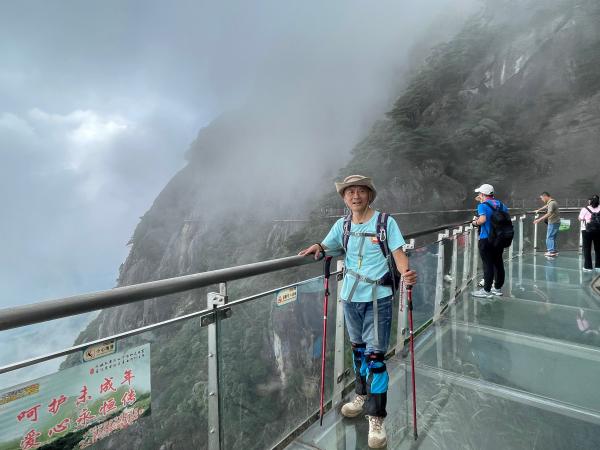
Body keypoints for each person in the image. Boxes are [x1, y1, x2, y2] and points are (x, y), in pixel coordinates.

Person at [299, 175, 417, 449]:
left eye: (360, 191)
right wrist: (319, 247)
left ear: (369, 195)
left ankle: (376, 417)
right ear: (344, 198)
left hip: (379, 298)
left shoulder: (385, 222)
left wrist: (406, 273)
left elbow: (398, 252)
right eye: (349, 192)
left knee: (375, 358)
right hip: (351, 298)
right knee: (359, 352)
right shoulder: (343, 225)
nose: (355, 196)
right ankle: (361, 395)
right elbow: (328, 245)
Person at [471, 184, 509, 298]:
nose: (478, 195)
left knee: (487, 264)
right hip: (499, 239)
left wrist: (475, 222)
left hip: (486, 239)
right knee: (498, 263)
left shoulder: (482, 206)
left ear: (483, 194)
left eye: (479, 193)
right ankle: (497, 288)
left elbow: (483, 219)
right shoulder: (502, 205)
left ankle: (486, 290)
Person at [533, 192, 560, 257]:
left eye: (542, 198)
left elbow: (549, 213)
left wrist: (539, 220)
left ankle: (551, 251)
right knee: (553, 237)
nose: (542, 200)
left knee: (549, 237)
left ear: (545, 196)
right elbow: (546, 206)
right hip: (556, 222)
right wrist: (539, 209)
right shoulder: (552, 202)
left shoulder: (551, 203)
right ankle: (554, 251)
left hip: (553, 222)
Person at [578, 195, 600, 272]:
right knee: (598, 249)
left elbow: (580, 218)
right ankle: (598, 266)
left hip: (587, 230)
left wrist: (586, 218)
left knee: (587, 248)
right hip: (598, 230)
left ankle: (588, 267)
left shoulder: (585, 209)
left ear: (590, 201)